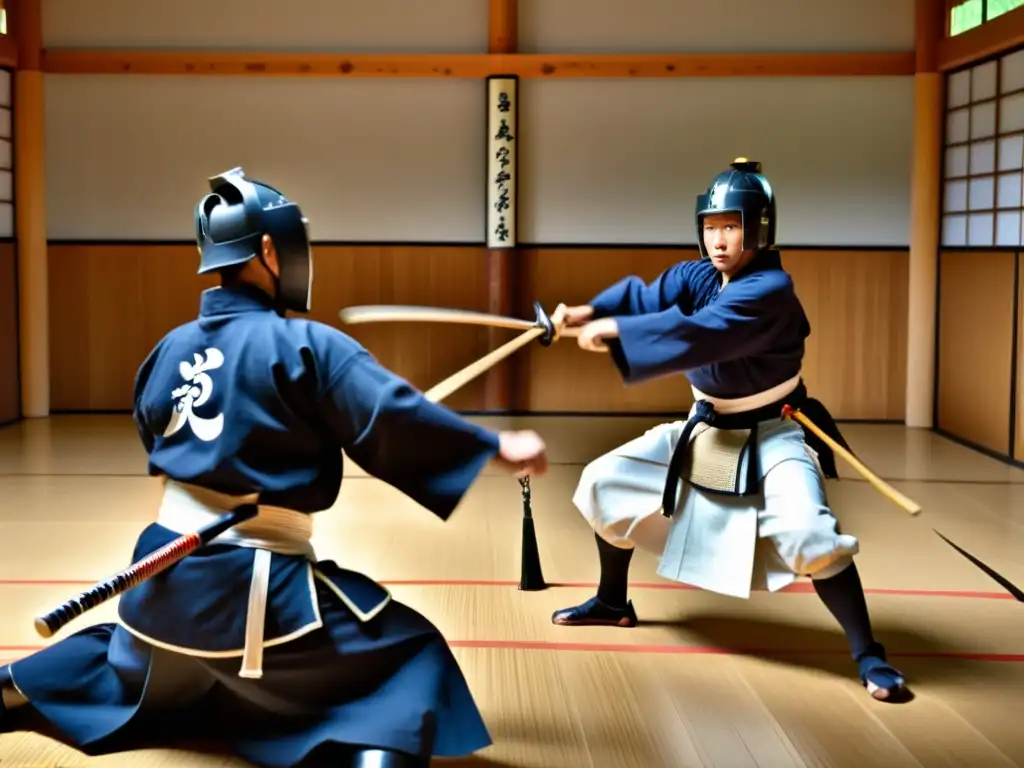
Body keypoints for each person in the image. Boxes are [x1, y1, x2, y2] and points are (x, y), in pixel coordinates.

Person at [0, 167, 549, 767]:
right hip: (248, 590)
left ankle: (11, 682)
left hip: (156, 581)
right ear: (269, 248)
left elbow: (158, 437)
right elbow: (391, 415)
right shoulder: (305, 345)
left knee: (121, 651)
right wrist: (493, 447)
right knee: (412, 655)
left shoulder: (169, 346)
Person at [548, 158, 909, 703]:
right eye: (711, 228)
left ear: (759, 229)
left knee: (809, 534)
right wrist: (583, 312)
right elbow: (646, 296)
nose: (719, 241)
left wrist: (617, 331)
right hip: (706, 427)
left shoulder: (770, 289)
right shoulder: (696, 276)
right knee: (604, 482)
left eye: (732, 227)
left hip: (774, 430)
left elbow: (704, 335)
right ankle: (612, 601)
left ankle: (868, 653)